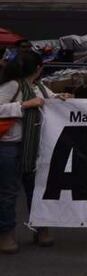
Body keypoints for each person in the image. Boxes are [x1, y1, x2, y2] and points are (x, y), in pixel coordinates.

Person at [0, 51, 70, 253]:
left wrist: (61, 98)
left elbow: (50, 99)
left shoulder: (39, 87)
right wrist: (22, 106)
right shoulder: (12, 86)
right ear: (39, 68)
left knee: (37, 189)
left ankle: (40, 227)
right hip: (8, 145)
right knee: (7, 192)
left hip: (33, 146)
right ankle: (6, 233)